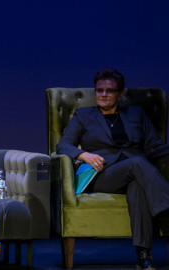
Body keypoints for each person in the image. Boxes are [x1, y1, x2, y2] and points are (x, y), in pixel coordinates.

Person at [56, 68, 169, 270]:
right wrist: (84, 155)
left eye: (109, 91)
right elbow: (63, 145)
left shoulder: (136, 113)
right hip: (104, 174)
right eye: (99, 90)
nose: (103, 95)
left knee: (138, 187)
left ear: (120, 94)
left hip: (138, 174)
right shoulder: (84, 115)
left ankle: (143, 256)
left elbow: (155, 147)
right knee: (138, 163)